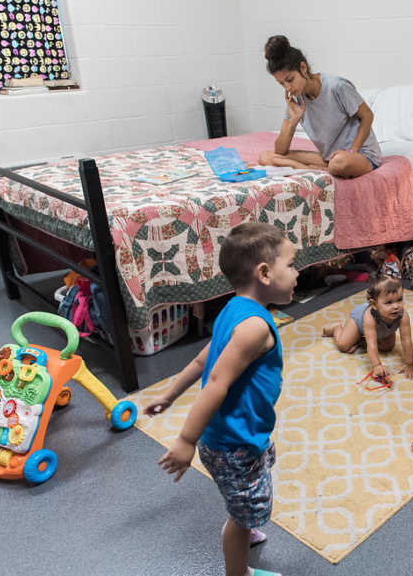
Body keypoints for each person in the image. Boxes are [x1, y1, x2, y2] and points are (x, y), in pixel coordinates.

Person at [144, 222, 298, 576]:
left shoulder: (233, 308)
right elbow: (215, 382)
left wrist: (169, 395)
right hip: (233, 443)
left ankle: (245, 517)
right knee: (241, 517)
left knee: (257, 474)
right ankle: (238, 568)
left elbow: (202, 360)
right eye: (290, 264)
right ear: (264, 273)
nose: (297, 272)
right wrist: (185, 440)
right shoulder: (255, 327)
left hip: (241, 436)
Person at [257, 34, 382, 179]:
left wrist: (352, 151)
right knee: (266, 157)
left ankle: (314, 169)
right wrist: (293, 122)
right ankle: (317, 169)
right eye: (281, 84)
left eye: (290, 80)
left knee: (338, 163)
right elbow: (280, 150)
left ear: (303, 68)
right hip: (329, 157)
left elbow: (367, 115)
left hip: (360, 155)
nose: (288, 88)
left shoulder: (337, 86)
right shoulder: (296, 99)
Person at [322, 272, 413, 380]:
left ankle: (360, 340)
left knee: (388, 347)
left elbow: (407, 340)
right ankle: (336, 328)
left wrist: (409, 364)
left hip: (382, 331)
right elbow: (372, 344)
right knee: (343, 345)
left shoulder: (402, 315)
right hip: (358, 323)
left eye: (399, 300)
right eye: (389, 302)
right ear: (374, 305)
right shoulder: (369, 316)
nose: (396, 306)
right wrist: (377, 365)